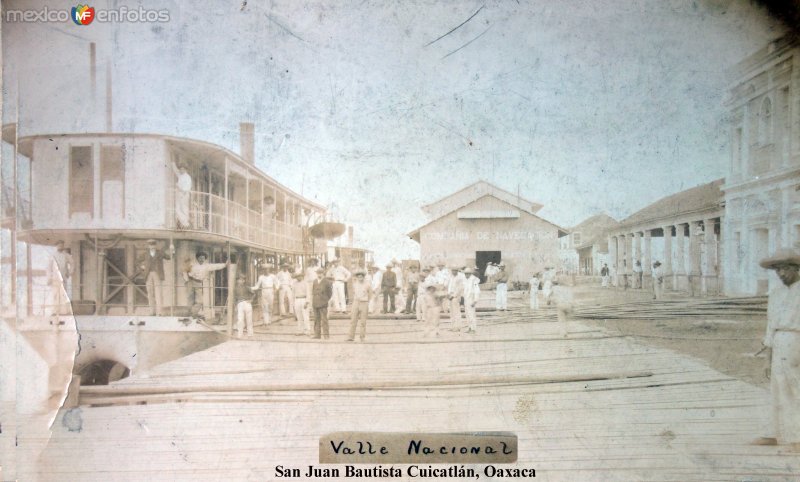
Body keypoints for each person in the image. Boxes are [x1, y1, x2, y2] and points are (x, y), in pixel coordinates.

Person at [751, 248, 800, 449]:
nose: (781, 274)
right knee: (776, 387)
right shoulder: (776, 293)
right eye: (777, 270)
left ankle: (797, 437)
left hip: (797, 339)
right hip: (779, 341)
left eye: (785, 269)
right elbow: (771, 325)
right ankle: (773, 433)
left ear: (796, 269)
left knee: (795, 387)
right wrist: (767, 358)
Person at [185, 251, 228, 317]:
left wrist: (225, 265)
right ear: (197, 258)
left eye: (203, 258)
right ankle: (188, 315)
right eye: (200, 258)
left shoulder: (206, 266)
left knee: (200, 301)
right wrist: (187, 280)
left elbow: (215, 266)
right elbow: (184, 271)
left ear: (205, 259)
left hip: (198, 283)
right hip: (191, 282)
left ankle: (193, 314)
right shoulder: (193, 265)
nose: (201, 260)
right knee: (190, 300)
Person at [140, 239, 171, 316]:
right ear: (148, 246)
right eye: (150, 245)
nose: (152, 246)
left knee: (158, 293)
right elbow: (137, 261)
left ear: (155, 245)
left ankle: (160, 312)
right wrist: (142, 267)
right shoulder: (145, 254)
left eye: (153, 245)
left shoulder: (160, 252)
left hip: (157, 274)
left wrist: (172, 251)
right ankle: (152, 312)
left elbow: (169, 257)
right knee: (150, 293)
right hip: (148, 275)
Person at [347, 270, 372, 342]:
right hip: (356, 302)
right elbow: (353, 293)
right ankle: (351, 336)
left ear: (363, 277)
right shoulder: (355, 284)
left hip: (364, 303)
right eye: (358, 277)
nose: (360, 278)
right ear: (357, 277)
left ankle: (362, 337)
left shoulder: (367, 284)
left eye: (361, 277)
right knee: (353, 320)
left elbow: (370, 294)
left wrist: (367, 301)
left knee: (363, 321)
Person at [311, 268, 333, 339]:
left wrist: (325, 300)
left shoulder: (327, 282)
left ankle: (326, 335)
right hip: (315, 303)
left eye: (320, 273)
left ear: (323, 273)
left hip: (323, 303)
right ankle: (317, 335)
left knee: (324, 320)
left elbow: (330, 293)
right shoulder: (314, 281)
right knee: (316, 319)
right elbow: (313, 292)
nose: (319, 274)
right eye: (317, 273)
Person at [171, 161, 192, 229]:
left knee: (184, 209)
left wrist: (178, 187)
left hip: (184, 194)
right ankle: (183, 224)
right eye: (180, 169)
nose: (181, 170)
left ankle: (186, 224)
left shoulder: (187, 177)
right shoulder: (181, 176)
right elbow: (176, 171)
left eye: (182, 169)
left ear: (185, 169)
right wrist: (173, 163)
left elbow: (186, 189)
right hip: (179, 194)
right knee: (177, 209)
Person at [463, 267, 481, 334]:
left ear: (470, 274)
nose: (466, 275)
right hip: (466, 299)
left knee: (471, 314)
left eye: (468, 274)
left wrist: (475, 301)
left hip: (471, 299)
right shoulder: (465, 280)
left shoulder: (474, 280)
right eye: (465, 274)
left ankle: (473, 329)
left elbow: (477, 291)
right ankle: (469, 328)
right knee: (467, 315)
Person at [448, 266, 466, 331]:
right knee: (451, 312)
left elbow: (460, 288)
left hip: (456, 296)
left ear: (457, 271)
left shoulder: (460, 277)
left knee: (456, 312)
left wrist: (453, 295)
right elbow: (449, 286)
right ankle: (453, 326)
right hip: (450, 295)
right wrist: (449, 294)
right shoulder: (451, 277)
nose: (454, 272)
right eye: (453, 270)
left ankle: (458, 327)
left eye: (455, 270)